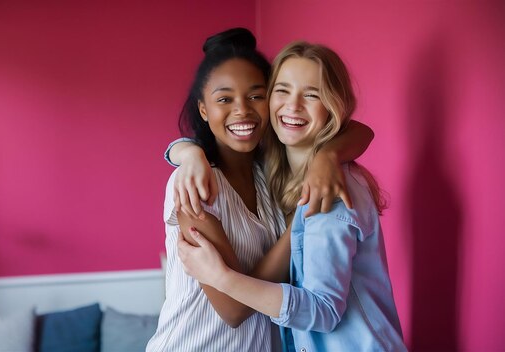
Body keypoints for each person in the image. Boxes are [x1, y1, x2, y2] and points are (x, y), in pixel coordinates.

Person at [148, 27, 375, 351]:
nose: (242, 110)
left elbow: (361, 131)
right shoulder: (194, 184)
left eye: (256, 95)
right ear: (203, 109)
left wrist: (328, 155)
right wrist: (302, 215)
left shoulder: (269, 175)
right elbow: (234, 308)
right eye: (224, 99)